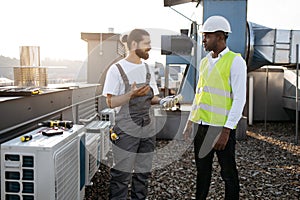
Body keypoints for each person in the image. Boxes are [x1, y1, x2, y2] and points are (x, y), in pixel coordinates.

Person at [102, 29, 174, 200]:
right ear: (134, 45)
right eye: (147, 43)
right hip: (125, 129)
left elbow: (151, 97)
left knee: (143, 174)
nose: (150, 47)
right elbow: (110, 102)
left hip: (147, 127)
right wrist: (130, 95)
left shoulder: (147, 68)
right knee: (121, 176)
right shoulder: (116, 69)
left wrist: (163, 101)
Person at [183, 15, 247, 199]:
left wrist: (226, 131)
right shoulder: (204, 62)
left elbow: (239, 99)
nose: (203, 40)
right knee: (202, 172)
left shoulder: (235, 61)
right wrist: (190, 122)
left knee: (228, 173)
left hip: (221, 129)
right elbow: (199, 95)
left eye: (206, 36)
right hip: (201, 126)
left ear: (220, 37)